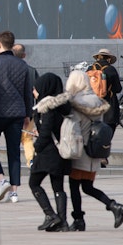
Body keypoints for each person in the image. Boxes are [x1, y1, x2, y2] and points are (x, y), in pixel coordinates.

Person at [63, 70, 123, 231]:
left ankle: (79, 219)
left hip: (80, 150)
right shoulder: (97, 100)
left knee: (74, 187)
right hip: (95, 151)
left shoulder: (75, 102)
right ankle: (113, 205)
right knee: (87, 186)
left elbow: (73, 127)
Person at [0, 31, 32, 204]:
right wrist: (28, 114)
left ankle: (1, 179)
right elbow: (28, 92)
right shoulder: (22, 65)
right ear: (12, 44)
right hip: (17, 113)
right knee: (14, 152)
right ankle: (14, 192)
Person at [30, 73, 73, 232]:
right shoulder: (63, 105)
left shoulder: (48, 106)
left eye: (35, 88)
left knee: (33, 183)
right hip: (61, 151)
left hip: (48, 153)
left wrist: (37, 146)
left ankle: (50, 215)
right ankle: (62, 221)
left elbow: (47, 131)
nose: (34, 91)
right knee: (58, 187)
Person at [12, 43, 39, 166]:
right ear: (24, 55)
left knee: (13, 138)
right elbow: (37, 93)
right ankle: (30, 160)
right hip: (29, 110)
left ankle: (14, 163)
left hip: (12, 111)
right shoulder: (32, 71)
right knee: (27, 138)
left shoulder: (10, 70)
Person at [91, 48, 123, 131]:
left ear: (98, 57)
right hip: (109, 103)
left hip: (93, 102)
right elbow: (118, 88)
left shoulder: (91, 68)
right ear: (109, 58)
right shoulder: (111, 69)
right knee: (108, 129)